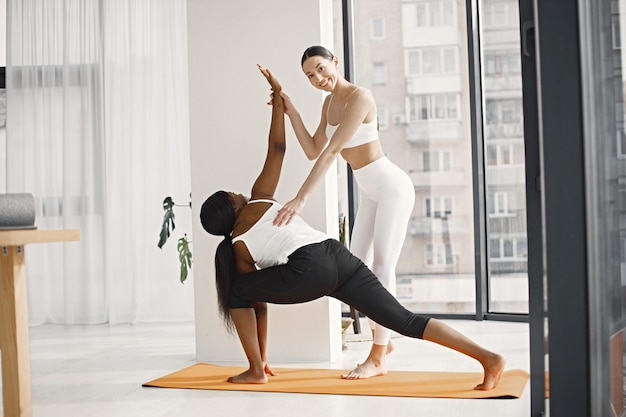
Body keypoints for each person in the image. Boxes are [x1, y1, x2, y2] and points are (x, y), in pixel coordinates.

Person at [199, 64, 505, 389]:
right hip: (336, 255)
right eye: (232, 194)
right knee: (405, 320)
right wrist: (277, 101)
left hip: (310, 270)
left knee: (236, 289)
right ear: (231, 206)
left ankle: (256, 370)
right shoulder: (260, 198)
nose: (237, 192)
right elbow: (278, 148)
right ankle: (488, 358)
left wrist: (260, 360)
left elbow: (254, 304)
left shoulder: (239, 248)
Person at [269, 45, 415, 379]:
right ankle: (385, 338)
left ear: (335, 62)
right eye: (310, 75)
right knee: (355, 269)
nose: (318, 78)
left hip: (391, 186)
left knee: (381, 267)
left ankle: (378, 355)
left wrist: (301, 198)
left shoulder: (360, 98)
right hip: (370, 191)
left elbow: (333, 150)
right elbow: (312, 149)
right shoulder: (328, 104)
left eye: (321, 68)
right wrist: (290, 111)